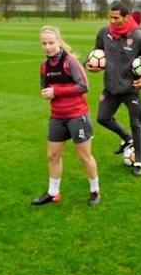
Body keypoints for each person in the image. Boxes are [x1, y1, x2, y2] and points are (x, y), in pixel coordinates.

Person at [86, 2, 141, 177]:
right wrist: (88, 63)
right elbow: (96, 51)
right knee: (102, 118)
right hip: (110, 88)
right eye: (110, 17)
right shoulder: (104, 33)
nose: (112, 21)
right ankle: (127, 139)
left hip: (131, 89)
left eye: (116, 18)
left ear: (127, 18)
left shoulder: (140, 37)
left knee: (137, 124)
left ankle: (138, 161)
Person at [31, 25, 101, 206]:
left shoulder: (70, 61)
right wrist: (46, 92)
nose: (47, 47)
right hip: (57, 117)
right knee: (52, 156)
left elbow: (84, 86)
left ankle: (95, 190)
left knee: (84, 156)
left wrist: (56, 91)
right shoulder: (44, 66)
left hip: (77, 116)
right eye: (44, 43)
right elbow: (45, 87)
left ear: (58, 42)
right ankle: (53, 193)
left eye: (51, 42)